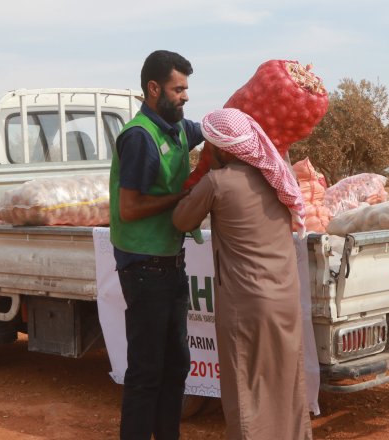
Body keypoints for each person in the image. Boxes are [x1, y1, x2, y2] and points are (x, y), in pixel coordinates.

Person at [171, 108, 313, 440]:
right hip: (285, 299)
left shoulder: (217, 182)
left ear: (222, 148)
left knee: (245, 386)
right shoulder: (276, 176)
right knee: (285, 381)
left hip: (245, 305)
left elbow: (181, 221)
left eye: (210, 146)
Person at [109, 49, 204, 440]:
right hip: (144, 270)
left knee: (176, 366)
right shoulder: (139, 138)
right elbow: (129, 208)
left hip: (171, 265)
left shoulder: (177, 127)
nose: (184, 96)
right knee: (147, 371)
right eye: (177, 89)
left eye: (186, 89)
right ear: (153, 89)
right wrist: (185, 196)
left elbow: (219, 129)